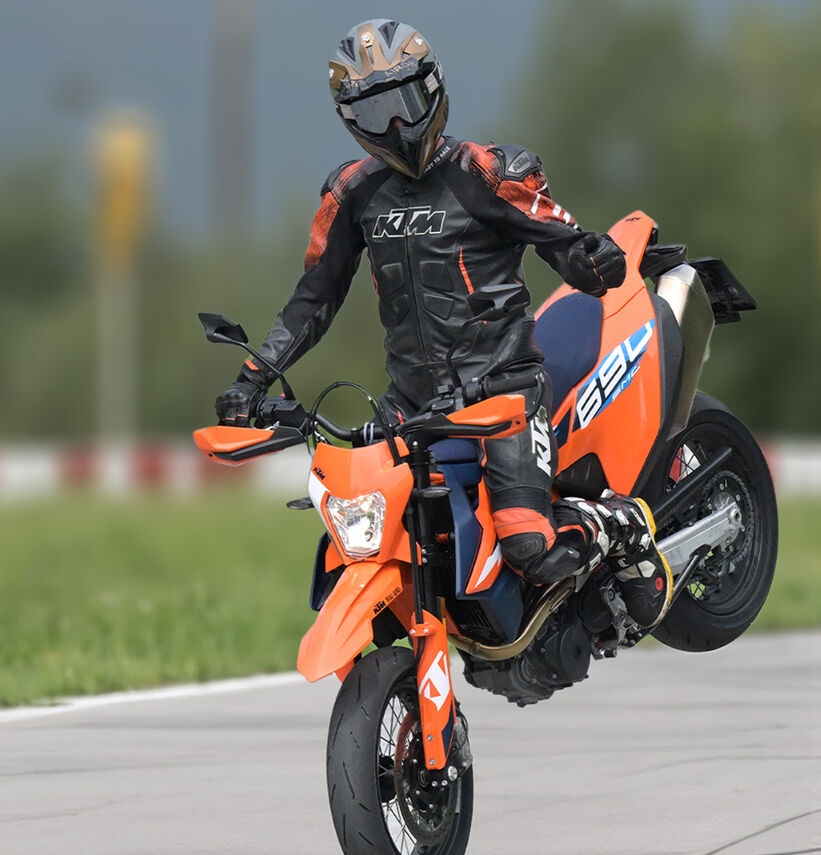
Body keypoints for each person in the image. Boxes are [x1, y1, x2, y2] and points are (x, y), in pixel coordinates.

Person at [213, 19, 671, 633]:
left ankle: (623, 526)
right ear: (350, 121)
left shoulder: (488, 171)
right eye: (373, 114)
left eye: (404, 103)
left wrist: (592, 260)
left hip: (505, 394)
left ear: (433, 89)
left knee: (526, 542)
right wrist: (252, 378)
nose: (395, 126)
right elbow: (313, 298)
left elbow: (561, 241)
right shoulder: (351, 193)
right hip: (409, 409)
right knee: (363, 540)